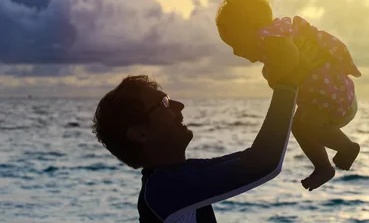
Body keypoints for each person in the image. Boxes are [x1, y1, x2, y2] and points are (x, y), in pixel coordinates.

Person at [91, 38, 325, 223]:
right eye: (164, 103)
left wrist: (288, 79)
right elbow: (263, 163)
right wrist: (288, 83)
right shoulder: (164, 189)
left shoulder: (180, 175)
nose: (179, 106)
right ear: (141, 134)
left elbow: (252, 157)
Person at [215, 0, 361, 191]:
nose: (236, 52)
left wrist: (274, 77)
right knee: (299, 126)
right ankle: (323, 166)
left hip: (328, 92)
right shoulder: (275, 37)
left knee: (309, 126)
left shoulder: (272, 38)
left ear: (254, 27)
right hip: (318, 94)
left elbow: (290, 59)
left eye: (236, 44)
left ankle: (347, 148)